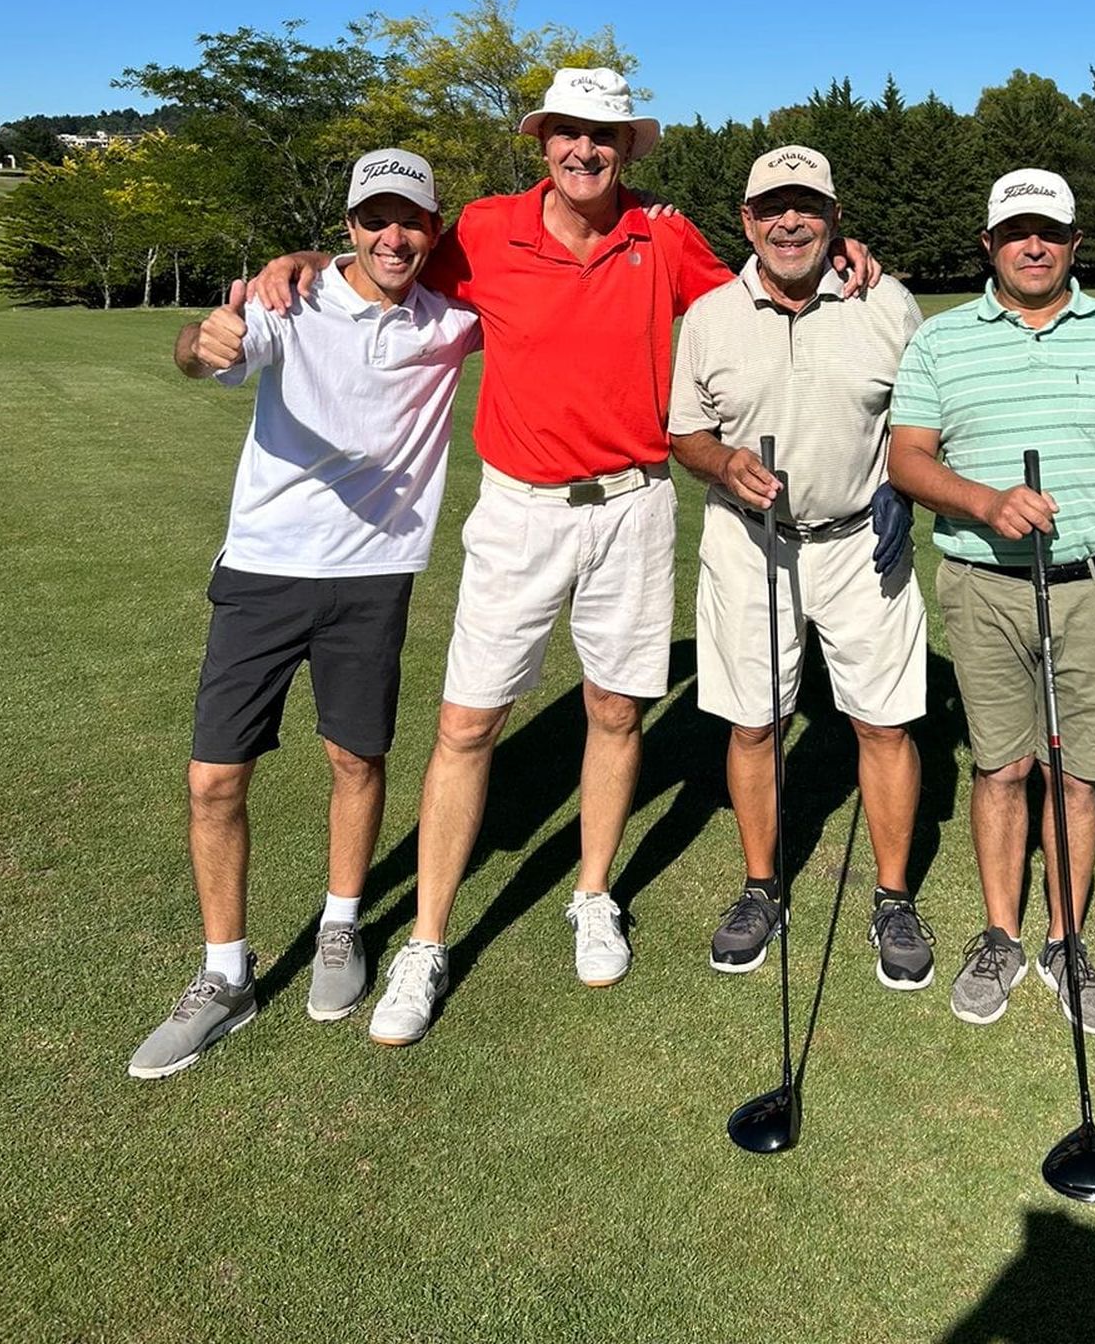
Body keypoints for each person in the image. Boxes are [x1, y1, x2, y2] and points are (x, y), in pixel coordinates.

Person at [252, 70, 876, 1044]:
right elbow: (386, 260)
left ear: (625, 147)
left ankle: (593, 892)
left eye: (603, 135)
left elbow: (759, 294)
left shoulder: (662, 235)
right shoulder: (489, 228)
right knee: (465, 723)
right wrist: (300, 256)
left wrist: (842, 255)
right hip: (517, 511)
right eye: (567, 133)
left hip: (632, 505)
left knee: (617, 709)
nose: (584, 149)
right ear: (543, 141)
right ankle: (426, 939)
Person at [129, 150, 480, 1078]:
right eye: (374, 219)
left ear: (434, 233)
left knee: (356, 757)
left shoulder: (452, 320)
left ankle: (339, 923)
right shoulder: (291, 303)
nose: (392, 236)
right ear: (349, 227)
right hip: (263, 569)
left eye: (410, 220)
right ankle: (225, 977)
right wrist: (201, 341)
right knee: (214, 779)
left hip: (378, 575)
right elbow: (211, 352)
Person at [887, 167, 1095, 1035]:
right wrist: (985, 503)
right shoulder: (942, 341)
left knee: (1077, 772)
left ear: (1074, 243)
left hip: (1094, 588)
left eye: (1051, 232)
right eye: (1016, 231)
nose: (1034, 246)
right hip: (984, 583)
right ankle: (1000, 935)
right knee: (1001, 767)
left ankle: (1064, 941)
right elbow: (908, 460)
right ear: (989, 244)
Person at [668, 145, 935, 988]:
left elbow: (923, 419)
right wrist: (722, 465)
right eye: (773, 207)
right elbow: (685, 434)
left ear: (834, 220)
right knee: (753, 723)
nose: (791, 222)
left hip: (862, 543)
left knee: (884, 723)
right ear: (746, 222)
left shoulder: (886, 303)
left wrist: (902, 486)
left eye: (808, 207)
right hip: (750, 546)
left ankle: (893, 899)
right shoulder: (710, 315)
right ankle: (761, 886)